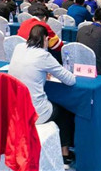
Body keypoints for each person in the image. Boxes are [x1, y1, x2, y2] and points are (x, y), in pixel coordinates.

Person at [9, 25, 76, 165]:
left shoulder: (18, 47)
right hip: (34, 112)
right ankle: (65, 154)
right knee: (65, 111)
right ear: (45, 39)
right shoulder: (43, 55)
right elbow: (70, 80)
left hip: (14, 109)